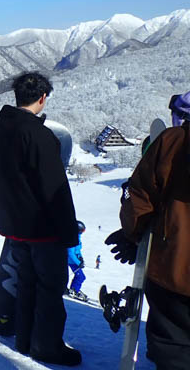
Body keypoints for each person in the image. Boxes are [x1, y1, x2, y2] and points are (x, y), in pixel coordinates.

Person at [0, 72, 81, 366]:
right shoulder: (39, 135)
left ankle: (25, 338)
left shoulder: (1, 128)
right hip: (43, 227)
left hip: (16, 225)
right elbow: (55, 188)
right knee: (50, 288)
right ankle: (46, 346)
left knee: (27, 283)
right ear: (42, 98)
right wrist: (69, 231)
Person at [105, 90, 190, 370]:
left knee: (173, 348)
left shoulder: (171, 142)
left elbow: (139, 198)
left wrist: (133, 236)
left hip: (173, 271)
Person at [67, 221, 88, 301]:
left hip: (74, 261)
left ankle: (74, 289)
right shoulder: (72, 238)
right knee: (80, 276)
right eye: (82, 231)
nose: (82, 233)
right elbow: (70, 253)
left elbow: (77, 250)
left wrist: (80, 258)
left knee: (81, 276)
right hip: (71, 261)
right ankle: (74, 290)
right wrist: (78, 263)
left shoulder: (77, 237)